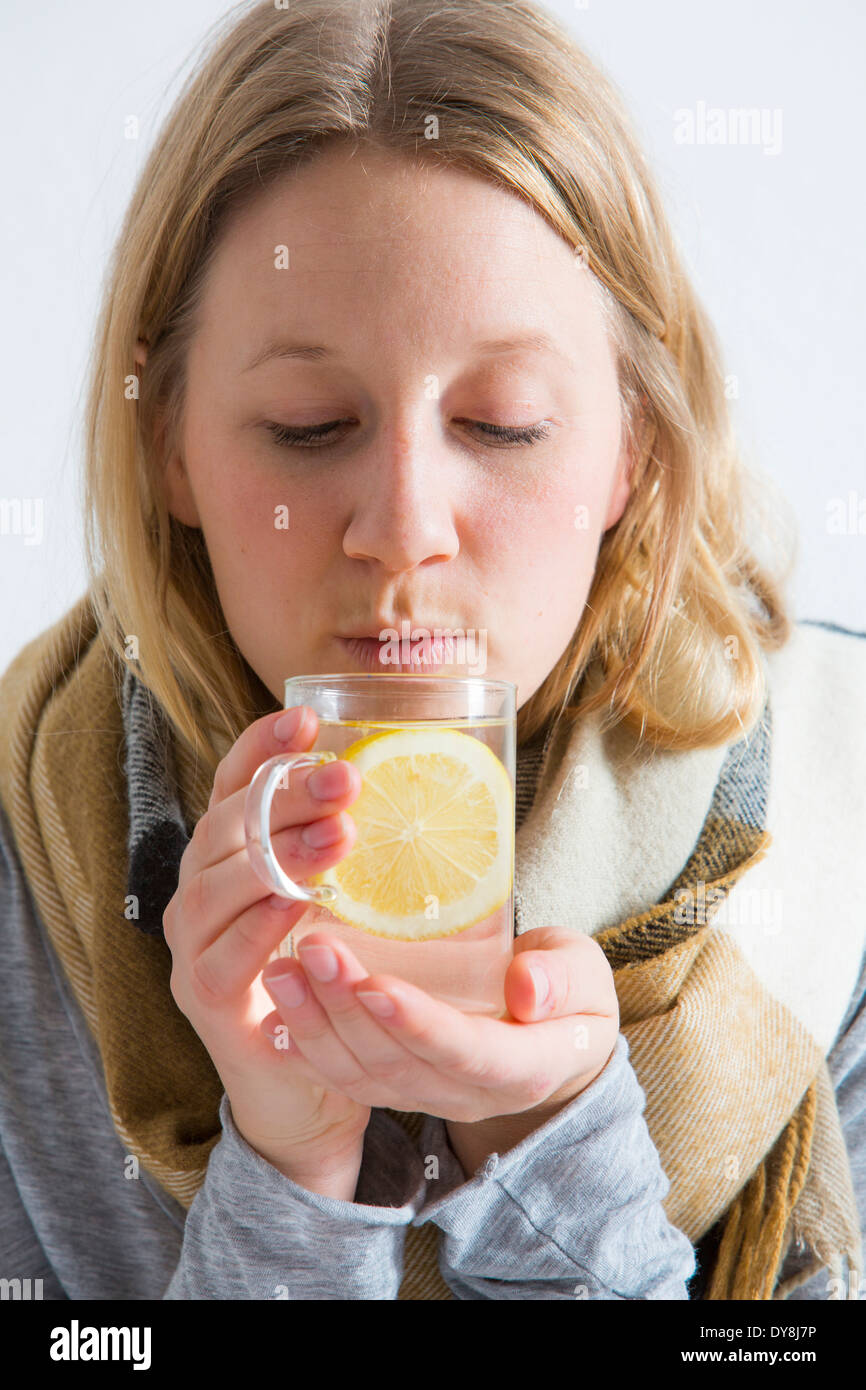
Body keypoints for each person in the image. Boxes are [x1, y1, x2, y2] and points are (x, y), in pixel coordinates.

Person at [0, 0, 862, 1302]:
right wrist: (289, 1181)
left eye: (504, 424)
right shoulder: (24, 866)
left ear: (630, 439)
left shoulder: (836, 826)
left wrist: (549, 1148)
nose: (401, 533)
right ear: (167, 437)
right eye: (306, 423)